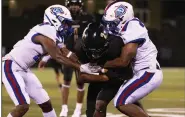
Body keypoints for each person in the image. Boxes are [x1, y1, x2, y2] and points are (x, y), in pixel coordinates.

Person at [2, 4, 86, 117]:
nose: (67, 26)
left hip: (24, 69)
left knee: (46, 103)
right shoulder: (46, 29)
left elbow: (66, 52)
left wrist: (84, 64)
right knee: (23, 106)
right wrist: (80, 68)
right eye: (65, 22)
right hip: (11, 66)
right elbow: (58, 56)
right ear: (55, 19)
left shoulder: (54, 33)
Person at [99, 1, 163, 117]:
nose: (110, 26)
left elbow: (123, 62)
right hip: (141, 72)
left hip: (148, 72)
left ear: (124, 19)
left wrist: (100, 64)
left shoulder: (133, 28)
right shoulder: (126, 26)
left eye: (113, 23)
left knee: (121, 102)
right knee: (127, 99)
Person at [74, 23, 148, 117]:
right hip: (100, 76)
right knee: (94, 110)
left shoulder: (116, 44)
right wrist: (103, 74)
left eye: (97, 50)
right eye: (90, 51)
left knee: (127, 100)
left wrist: (101, 70)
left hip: (119, 75)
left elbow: (124, 69)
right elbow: (81, 78)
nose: (94, 55)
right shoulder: (79, 49)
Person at [39, 1, 95, 117]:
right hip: (67, 53)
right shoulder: (63, 18)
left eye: (76, 5)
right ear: (68, 6)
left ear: (80, 6)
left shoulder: (88, 18)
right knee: (66, 80)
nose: (74, 7)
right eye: (72, 5)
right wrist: (47, 57)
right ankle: (64, 109)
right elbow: (57, 39)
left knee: (80, 82)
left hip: (82, 55)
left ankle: (78, 109)